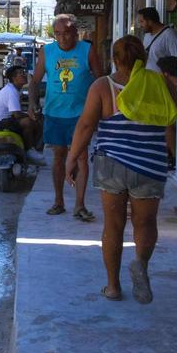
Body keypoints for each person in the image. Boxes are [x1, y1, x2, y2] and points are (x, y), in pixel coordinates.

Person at [65, 35, 171, 303]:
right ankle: (140, 264)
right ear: (144, 58)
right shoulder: (157, 83)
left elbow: (86, 126)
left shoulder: (103, 86)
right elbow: (176, 113)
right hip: (149, 163)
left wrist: (72, 157)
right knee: (145, 222)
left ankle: (112, 287)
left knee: (113, 224)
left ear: (114, 59)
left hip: (112, 164)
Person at [29, 14, 105, 221]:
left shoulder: (87, 50)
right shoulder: (47, 51)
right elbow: (34, 81)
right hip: (54, 113)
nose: (63, 38)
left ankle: (80, 204)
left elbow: (101, 79)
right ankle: (58, 201)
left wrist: (100, 109)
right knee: (59, 157)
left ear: (76, 33)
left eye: (67, 34)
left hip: (81, 114)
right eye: (58, 34)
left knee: (81, 157)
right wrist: (32, 104)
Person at [0, 64, 41, 153]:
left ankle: (32, 148)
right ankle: (29, 150)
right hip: (0, 123)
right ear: (14, 78)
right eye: (21, 73)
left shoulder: (15, 89)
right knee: (30, 122)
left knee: (35, 119)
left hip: (6, 120)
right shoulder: (11, 91)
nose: (24, 75)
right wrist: (30, 115)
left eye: (24, 72)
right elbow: (16, 114)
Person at [136, 7, 177, 75]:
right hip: (148, 78)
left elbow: (176, 59)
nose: (140, 25)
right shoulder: (147, 35)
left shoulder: (169, 34)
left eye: (142, 21)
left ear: (150, 21)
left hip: (162, 81)